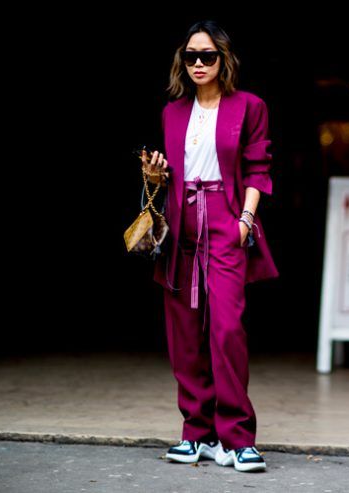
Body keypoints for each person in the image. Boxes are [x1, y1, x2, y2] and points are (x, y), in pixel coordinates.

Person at [140, 20, 279, 473]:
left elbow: (258, 168)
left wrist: (244, 221)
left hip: (225, 219)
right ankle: (195, 433)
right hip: (182, 221)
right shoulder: (172, 112)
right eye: (191, 56)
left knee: (226, 329)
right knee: (184, 332)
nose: (199, 63)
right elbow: (173, 175)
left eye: (208, 56)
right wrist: (158, 172)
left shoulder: (249, 106)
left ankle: (237, 439)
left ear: (224, 59)